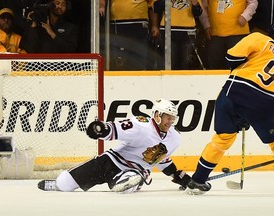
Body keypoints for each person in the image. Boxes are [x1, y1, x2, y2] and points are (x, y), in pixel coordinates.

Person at [187, 29, 274, 195]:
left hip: (233, 92)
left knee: (222, 139)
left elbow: (232, 56)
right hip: (264, 102)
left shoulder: (260, 39)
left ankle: (198, 179)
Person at [38, 99, 191, 193]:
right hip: (110, 161)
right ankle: (59, 185)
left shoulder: (175, 138)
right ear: (157, 115)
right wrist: (100, 129)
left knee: (131, 180)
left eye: (173, 118)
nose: (170, 121)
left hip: (135, 170)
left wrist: (177, 175)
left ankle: (125, 180)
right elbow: (115, 129)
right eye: (167, 117)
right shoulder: (141, 125)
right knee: (64, 183)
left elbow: (162, 160)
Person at [199, 0, 258, 69]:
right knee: (214, 65)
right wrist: (206, 24)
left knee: (238, 64)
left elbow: (253, 3)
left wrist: (245, 16)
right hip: (215, 34)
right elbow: (203, 5)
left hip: (238, 33)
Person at [151, 0, 203, 70]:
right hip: (168, 30)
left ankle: (185, 80)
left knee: (186, 62)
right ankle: (169, 80)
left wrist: (195, 4)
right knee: (169, 63)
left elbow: (198, 13)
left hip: (188, 31)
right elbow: (156, 7)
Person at [100, 0, 151, 70]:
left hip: (140, 23)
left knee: (139, 59)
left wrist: (154, 25)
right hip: (118, 24)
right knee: (118, 60)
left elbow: (153, 4)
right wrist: (101, 5)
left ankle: (139, 77)